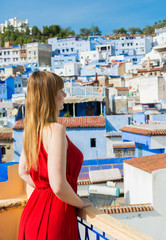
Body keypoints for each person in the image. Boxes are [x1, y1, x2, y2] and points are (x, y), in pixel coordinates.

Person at [18, 71, 92, 240]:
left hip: (32, 213)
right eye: (61, 91)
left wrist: (44, 189)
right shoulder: (56, 130)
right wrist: (79, 202)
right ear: (50, 97)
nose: (65, 95)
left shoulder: (31, 131)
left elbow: (23, 172)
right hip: (56, 217)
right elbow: (58, 185)